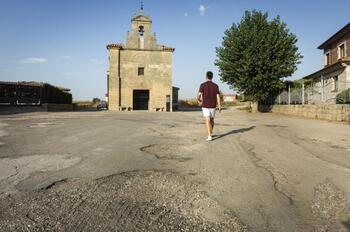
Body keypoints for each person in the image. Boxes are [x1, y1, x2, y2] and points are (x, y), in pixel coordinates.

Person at [197, 71, 221, 141]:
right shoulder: (216, 86)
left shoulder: (202, 85)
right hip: (213, 106)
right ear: (212, 77)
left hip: (205, 105)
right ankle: (210, 134)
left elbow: (199, 95)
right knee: (211, 120)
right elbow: (218, 97)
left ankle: (209, 134)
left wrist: (199, 100)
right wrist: (219, 106)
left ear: (206, 77)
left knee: (208, 120)